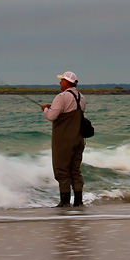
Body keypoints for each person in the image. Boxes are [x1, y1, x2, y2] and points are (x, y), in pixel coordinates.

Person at [40, 71, 86, 207]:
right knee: (75, 170)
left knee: (62, 170)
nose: (59, 83)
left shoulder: (61, 97)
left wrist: (45, 109)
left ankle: (65, 202)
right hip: (79, 139)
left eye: (61, 80)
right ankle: (78, 201)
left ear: (67, 82)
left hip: (64, 140)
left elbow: (51, 116)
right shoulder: (81, 97)